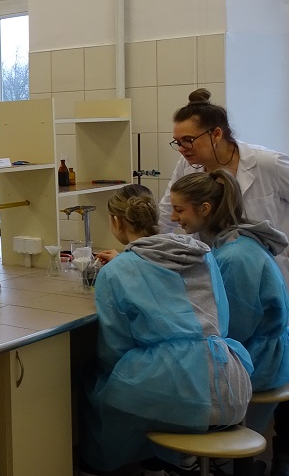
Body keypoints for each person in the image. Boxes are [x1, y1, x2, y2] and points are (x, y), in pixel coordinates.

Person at [79, 184, 252, 475]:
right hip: (230, 383)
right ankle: (168, 462)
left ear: (117, 222)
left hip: (177, 391)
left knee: (100, 388)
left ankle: (102, 467)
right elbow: (221, 318)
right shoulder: (202, 255)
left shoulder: (116, 271)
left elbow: (114, 348)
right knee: (144, 386)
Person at [170, 170, 289, 394]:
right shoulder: (229, 242)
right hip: (258, 348)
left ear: (205, 209)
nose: (172, 218)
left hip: (259, 360)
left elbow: (235, 328)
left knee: (168, 374)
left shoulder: (235, 257)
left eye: (179, 209)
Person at [158, 89, 289, 277]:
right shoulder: (186, 166)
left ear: (216, 134)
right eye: (177, 142)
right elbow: (165, 215)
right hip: (216, 270)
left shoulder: (268, 163)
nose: (181, 149)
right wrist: (142, 252)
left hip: (268, 270)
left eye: (188, 140)